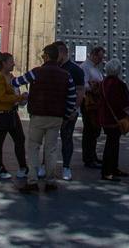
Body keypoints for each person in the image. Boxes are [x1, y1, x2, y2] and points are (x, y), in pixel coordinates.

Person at [20, 42, 78, 193]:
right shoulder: (66, 75)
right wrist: (65, 115)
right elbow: (72, 97)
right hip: (56, 117)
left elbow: (18, 81)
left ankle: (32, 181)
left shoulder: (36, 72)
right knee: (51, 149)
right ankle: (50, 182)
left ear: (46, 56)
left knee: (33, 147)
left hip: (38, 115)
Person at [0, 51, 29, 181]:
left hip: (11, 113)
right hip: (0, 113)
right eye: (11, 61)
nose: (14, 64)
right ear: (4, 63)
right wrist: (18, 97)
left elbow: (14, 93)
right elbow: (2, 97)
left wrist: (21, 99)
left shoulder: (11, 77)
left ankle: (23, 166)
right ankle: (0, 167)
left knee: (20, 139)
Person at [96, 60, 129, 182]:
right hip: (115, 119)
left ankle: (113, 168)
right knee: (111, 145)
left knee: (113, 143)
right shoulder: (118, 84)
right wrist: (125, 113)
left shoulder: (103, 83)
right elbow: (122, 102)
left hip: (105, 117)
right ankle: (107, 172)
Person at [56, 42, 86, 181]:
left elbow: (81, 91)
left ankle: (66, 167)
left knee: (67, 138)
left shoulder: (76, 70)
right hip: (53, 111)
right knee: (49, 139)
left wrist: (75, 109)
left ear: (63, 53)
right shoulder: (53, 67)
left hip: (70, 111)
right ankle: (44, 165)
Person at [79, 46, 106, 170]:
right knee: (89, 131)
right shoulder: (85, 67)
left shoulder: (94, 68)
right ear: (93, 55)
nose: (101, 60)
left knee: (94, 131)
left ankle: (93, 156)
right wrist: (94, 86)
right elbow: (83, 85)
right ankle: (88, 158)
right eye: (100, 57)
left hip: (96, 104)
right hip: (89, 104)